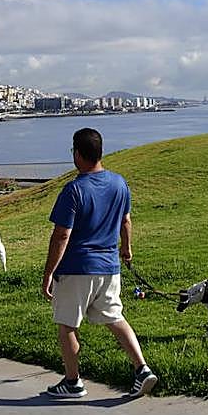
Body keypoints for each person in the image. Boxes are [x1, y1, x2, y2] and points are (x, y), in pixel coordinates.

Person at [41, 127, 157, 398]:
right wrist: (126, 249)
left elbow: (62, 235)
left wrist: (49, 273)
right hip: (108, 266)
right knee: (114, 317)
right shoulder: (119, 183)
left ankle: (72, 382)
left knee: (68, 325)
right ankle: (142, 369)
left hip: (77, 267)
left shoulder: (73, 190)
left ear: (78, 154)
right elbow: (125, 221)